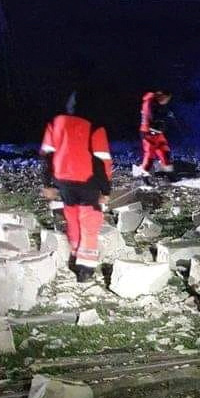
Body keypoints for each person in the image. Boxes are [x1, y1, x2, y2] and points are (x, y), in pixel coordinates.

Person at [40, 89, 112, 283]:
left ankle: (75, 252)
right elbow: (102, 162)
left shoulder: (55, 123)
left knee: (72, 218)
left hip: (63, 181)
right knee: (89, 222)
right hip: (88, 183)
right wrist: (106, 191)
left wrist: (47, 183)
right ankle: (85, 269)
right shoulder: (95, 127)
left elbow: (46, 156)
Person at [134, 89, 174, 179]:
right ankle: (144, 175)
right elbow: (151, 117)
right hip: (148, 133)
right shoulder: (150, 103)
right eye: (167, 99)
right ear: (163, 96)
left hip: (158, 133)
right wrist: (166, 116)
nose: (167, 102)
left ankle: (170, 174)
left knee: (165, 152)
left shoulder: (158, 104)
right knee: (150, 156)